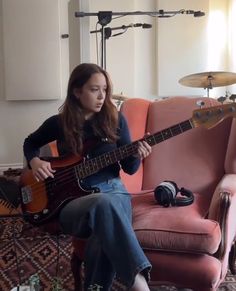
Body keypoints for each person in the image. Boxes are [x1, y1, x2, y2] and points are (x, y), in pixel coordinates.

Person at [23, 63, 152, 291]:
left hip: (114, 191)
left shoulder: (116, 121)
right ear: (77, 91)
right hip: (71, 202)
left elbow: (129, 168)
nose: (102, 96)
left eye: (105, 89)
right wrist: (35, 161)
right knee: (103, 205)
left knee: (103, 223)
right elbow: (30, 143)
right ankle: (138, 282)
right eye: (94, 89)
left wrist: (137, 155)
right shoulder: (59, 123)